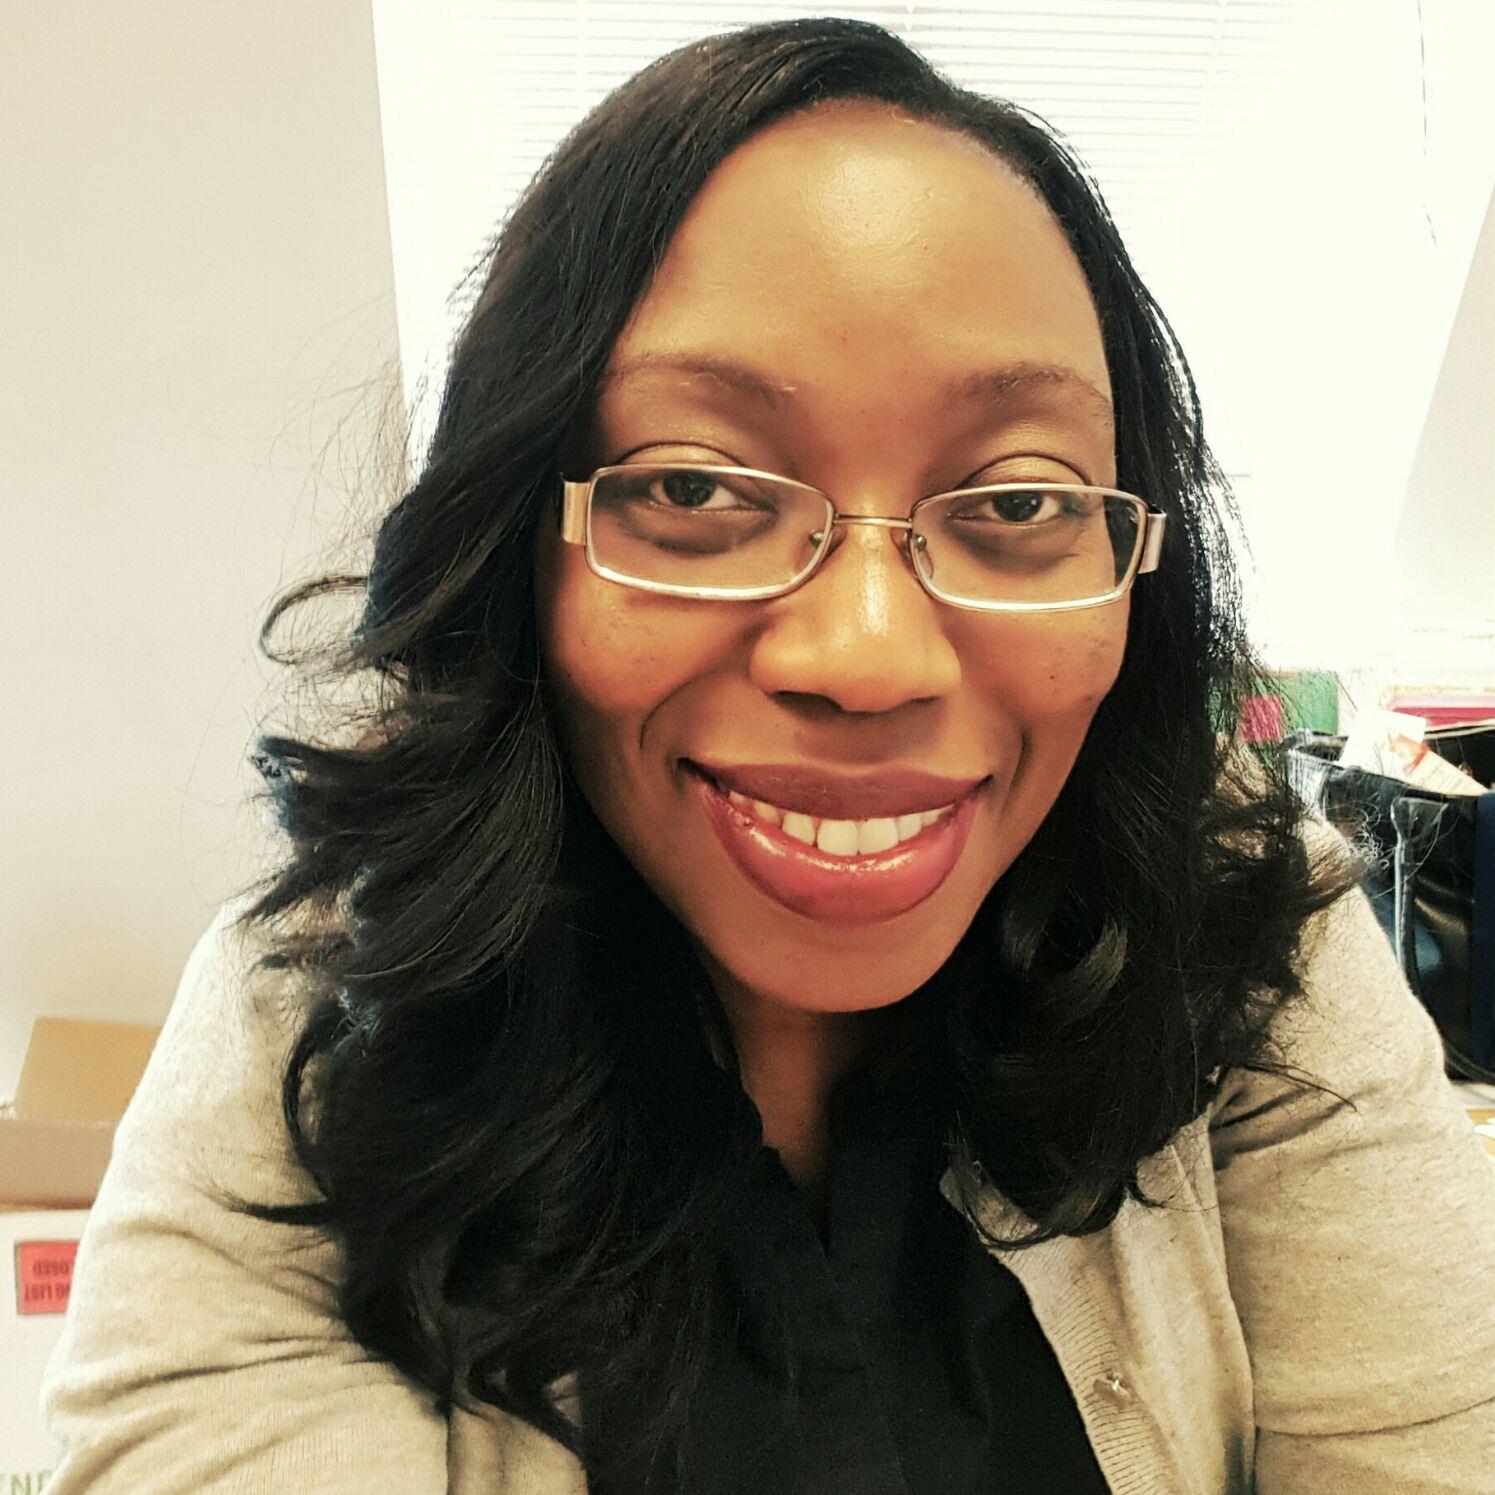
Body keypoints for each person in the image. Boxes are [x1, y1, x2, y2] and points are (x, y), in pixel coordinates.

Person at [40, 17, 1495, 1494]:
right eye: (693, 488)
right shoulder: (329, 1023)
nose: (868, 658)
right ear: (518, 546)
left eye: (1017, 503)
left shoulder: (1236, 928)